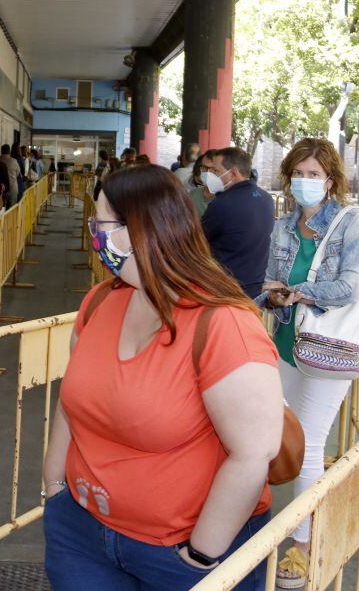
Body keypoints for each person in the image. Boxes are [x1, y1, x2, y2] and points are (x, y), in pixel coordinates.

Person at [43, 163, 283, 591]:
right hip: (81, 534)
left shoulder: (224, 324)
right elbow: (71, 399)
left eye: (101, 222)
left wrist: (201, 554)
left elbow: (254, 453)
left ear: (143, 229)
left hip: (182, 555)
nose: (93, 232)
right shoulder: (101, 301)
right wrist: (55, 487)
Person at [255, 138, 359, 590]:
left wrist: (301, 291)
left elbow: (349, 285)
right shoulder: (282, 226)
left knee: (308, 446)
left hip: (329, 348)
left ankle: (301, 547)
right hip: (285, 342)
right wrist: (272, 293)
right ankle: (252, 521)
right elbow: (266, 279)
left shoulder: (350, 221)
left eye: (314, 175)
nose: (305, 182)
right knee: (268, 434)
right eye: (298, 174)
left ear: (330, 180)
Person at [199, 148, 275, 298]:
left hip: (224, 290)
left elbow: (198, 239)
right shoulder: (267, 199)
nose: (211, 175)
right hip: (255, 290)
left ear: (233, 173)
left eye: (216, 170)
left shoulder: (222, 204)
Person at [1, 143, 21, 208]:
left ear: (1, 151)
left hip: (1, 190)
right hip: (13, 189)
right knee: (12, 210)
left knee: (2, 211)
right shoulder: (14, 161)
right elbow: (18, 173)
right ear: (9, 151)